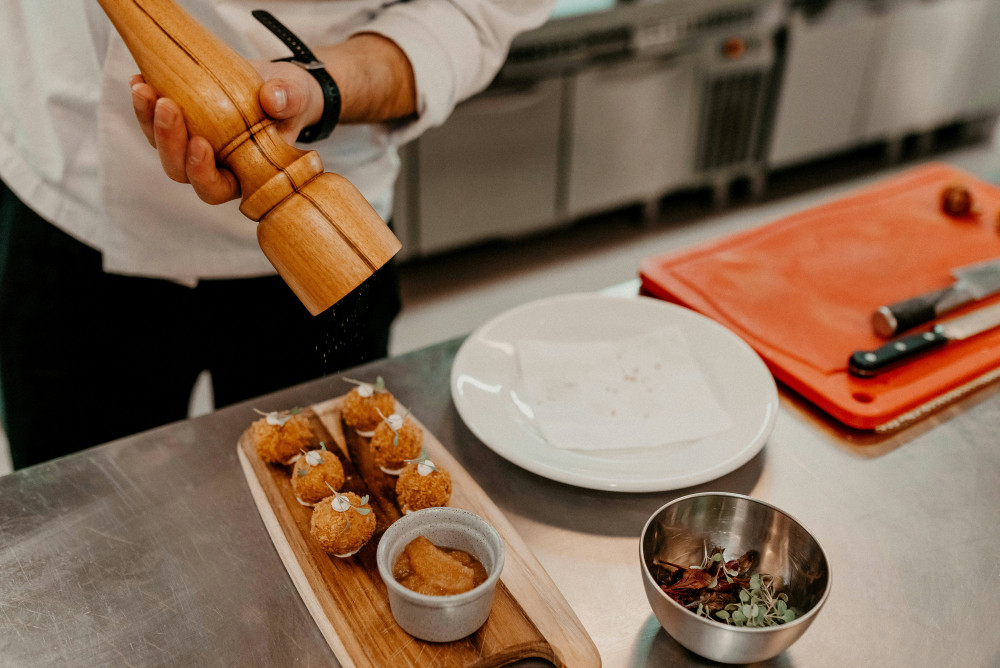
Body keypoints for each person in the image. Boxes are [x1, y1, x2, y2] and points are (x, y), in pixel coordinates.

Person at [0, 0, 553, 470]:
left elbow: (475, 9)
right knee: (79, 503)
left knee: (329, 503)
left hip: (321, 237)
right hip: (69, 198)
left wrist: (321, 85)